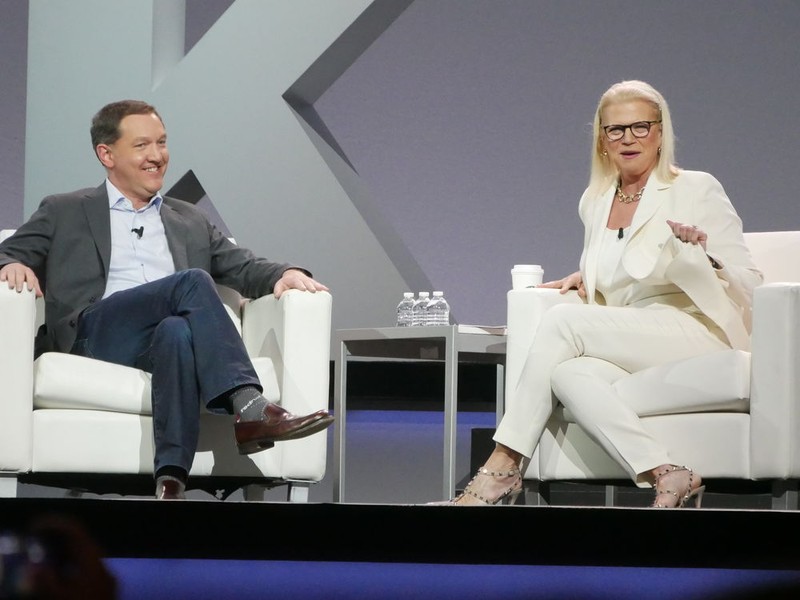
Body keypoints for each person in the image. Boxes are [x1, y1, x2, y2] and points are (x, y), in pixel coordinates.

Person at [0, 99, 334, 500]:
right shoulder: (64, 209)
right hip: (95, 334)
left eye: (161, 142)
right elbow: (7, 252)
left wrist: (285, 273)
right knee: (190, 282)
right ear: (106, 154)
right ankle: (249, 405)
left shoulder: (189, 219)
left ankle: (171, 480)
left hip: (154, 342)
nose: (157, 156)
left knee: (176, 331)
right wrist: (11, 264)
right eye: (142, 145)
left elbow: (243, 266)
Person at [450, 80, 762, 508]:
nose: (628, 139)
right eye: (616, 129)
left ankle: (502, 465)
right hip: (634, 333)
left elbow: (751, 281)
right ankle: (666, 472)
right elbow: (628, 261)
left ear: (660, 132)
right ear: (602, 138)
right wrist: (590, 275)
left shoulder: (696, 187)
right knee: (568, 374)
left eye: (640, 127)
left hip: (695, 329)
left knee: (562, 321)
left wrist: (707, 257)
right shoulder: (595, 200)